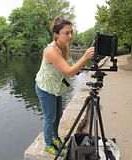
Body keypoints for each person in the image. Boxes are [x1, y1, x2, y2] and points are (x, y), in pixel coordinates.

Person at [35, 15, 94, 156]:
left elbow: (70, 68)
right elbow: (69, 71)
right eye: (66, 33)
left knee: (59, 114)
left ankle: (55, 138)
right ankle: (48, 144)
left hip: (56, 88)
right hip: (46, 89)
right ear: (56, 35)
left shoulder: (65, 46)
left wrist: (78, 67)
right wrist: (84, 57)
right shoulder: (51, 50)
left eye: (71, 32)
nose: (70, 36)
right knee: (50, 117)